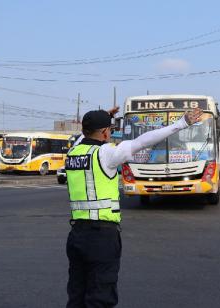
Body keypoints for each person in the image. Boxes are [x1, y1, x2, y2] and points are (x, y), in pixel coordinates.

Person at [65, 106, 203, 308]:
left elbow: (83, 137)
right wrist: (181, 124)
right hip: (101, 237)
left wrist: (103, 118)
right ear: (104, 132)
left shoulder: (73, 152)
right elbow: (143, 141)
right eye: (109, 130)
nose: (110, 134)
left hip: (76, 236)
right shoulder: (105, 153)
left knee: (77, 294)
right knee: (100, 297)